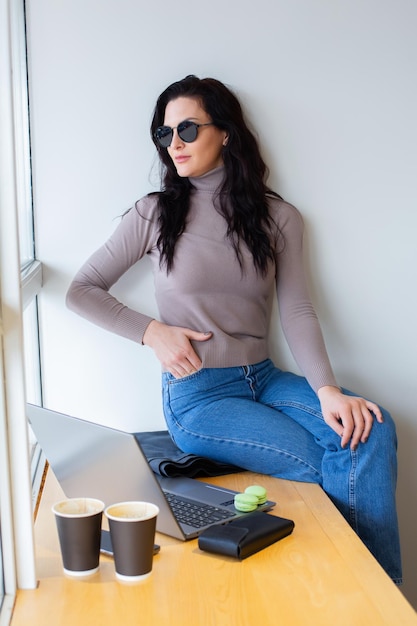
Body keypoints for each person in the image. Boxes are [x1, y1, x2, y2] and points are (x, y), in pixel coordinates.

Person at [66, 75, 402, 582]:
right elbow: (82, 290)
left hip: (264, 379)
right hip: (199, 397)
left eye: (187, 129)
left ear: (224, 132)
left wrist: (327, 390)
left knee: (370, 428)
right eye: (164, 134)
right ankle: (369, 595)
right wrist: (152, 331)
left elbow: (297, 312)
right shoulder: (154, 213)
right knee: (330, 463)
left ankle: (376, 596)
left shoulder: (279, 217)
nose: (173, 144)